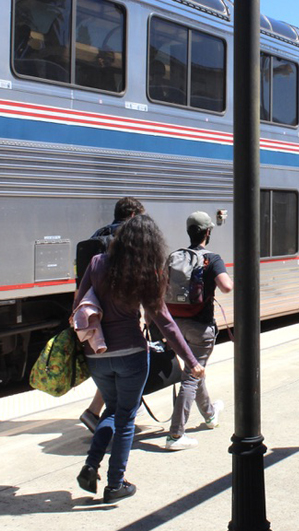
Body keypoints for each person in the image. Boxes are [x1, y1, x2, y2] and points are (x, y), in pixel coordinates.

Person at [74, 215, 204, 503]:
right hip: (132, 354)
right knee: (126, 419)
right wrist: (191, 360)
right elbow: (165, 322)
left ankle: (90, 465)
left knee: (112, 409)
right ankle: (115, 484)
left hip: (97, 355)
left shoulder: (96, 263)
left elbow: (78, 306)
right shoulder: (146, 272)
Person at [165, 211, 233, 450]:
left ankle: (210, 414)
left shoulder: (175, 256)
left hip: (174, 326)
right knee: (191, 376)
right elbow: (226, 287)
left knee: (194, 367)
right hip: (200, 327)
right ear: (208, 232)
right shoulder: (212, 258)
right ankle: (175, 435)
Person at [79, 197, 146, 433]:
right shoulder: (131, 239)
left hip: (97, 316)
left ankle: (95, 413)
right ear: (132, 216)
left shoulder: (98, 234)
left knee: (111, 366)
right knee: (129, 368)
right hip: (122, 316)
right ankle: (118, 419)